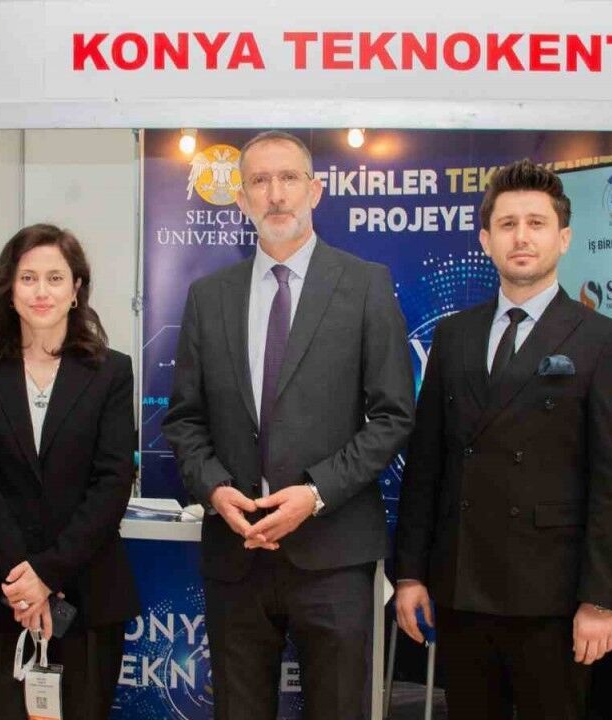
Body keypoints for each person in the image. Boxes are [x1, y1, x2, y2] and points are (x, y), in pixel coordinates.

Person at [162, 130, 415, 719]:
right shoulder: (208, 296)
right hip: (237, 553)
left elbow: (393, 415)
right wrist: (215, 489)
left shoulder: (365, 285)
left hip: (334, 554)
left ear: (315, 190)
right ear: (242, 199)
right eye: (259, 181)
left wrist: (315, 494)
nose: (275, 194)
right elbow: (185, 419)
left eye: (289, 178)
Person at [394, 159, 612, 719]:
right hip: (462, 586)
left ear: (564, 238)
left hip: (552, 596)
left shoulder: (603, 340)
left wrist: (600, 600)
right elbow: (426, 463)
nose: (522, 237)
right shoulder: (454, 334)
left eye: (536, 223)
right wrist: (409, 573)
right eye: (507, 225)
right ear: (486, 240)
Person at [0, 224, 138, 720]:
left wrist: (47, 574)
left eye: (55, 278)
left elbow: (112, 482)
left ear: (76, 290)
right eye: (28, 277)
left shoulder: (111, 372)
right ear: (9, 290)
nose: (41, 291)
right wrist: (22, 579)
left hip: (88, 591)